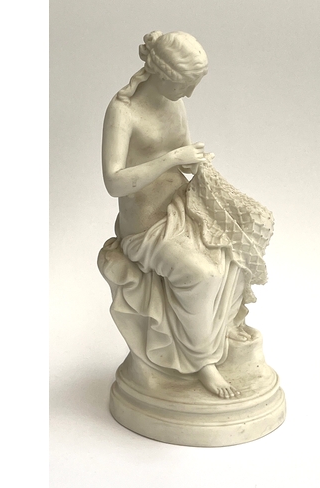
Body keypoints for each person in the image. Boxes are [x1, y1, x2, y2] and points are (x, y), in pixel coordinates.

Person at [98, 31, 273, 399]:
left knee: (234, 246)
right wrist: (172, 159)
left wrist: (195, 163)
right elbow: (114, 182)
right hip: (146, 224)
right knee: (202, 273)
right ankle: (202, 361)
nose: (189, 94)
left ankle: (219, 330)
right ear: (161, 74)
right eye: (184, 85)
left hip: (183, 204)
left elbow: (182, 154)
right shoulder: (123, 112)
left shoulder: (173, 103)